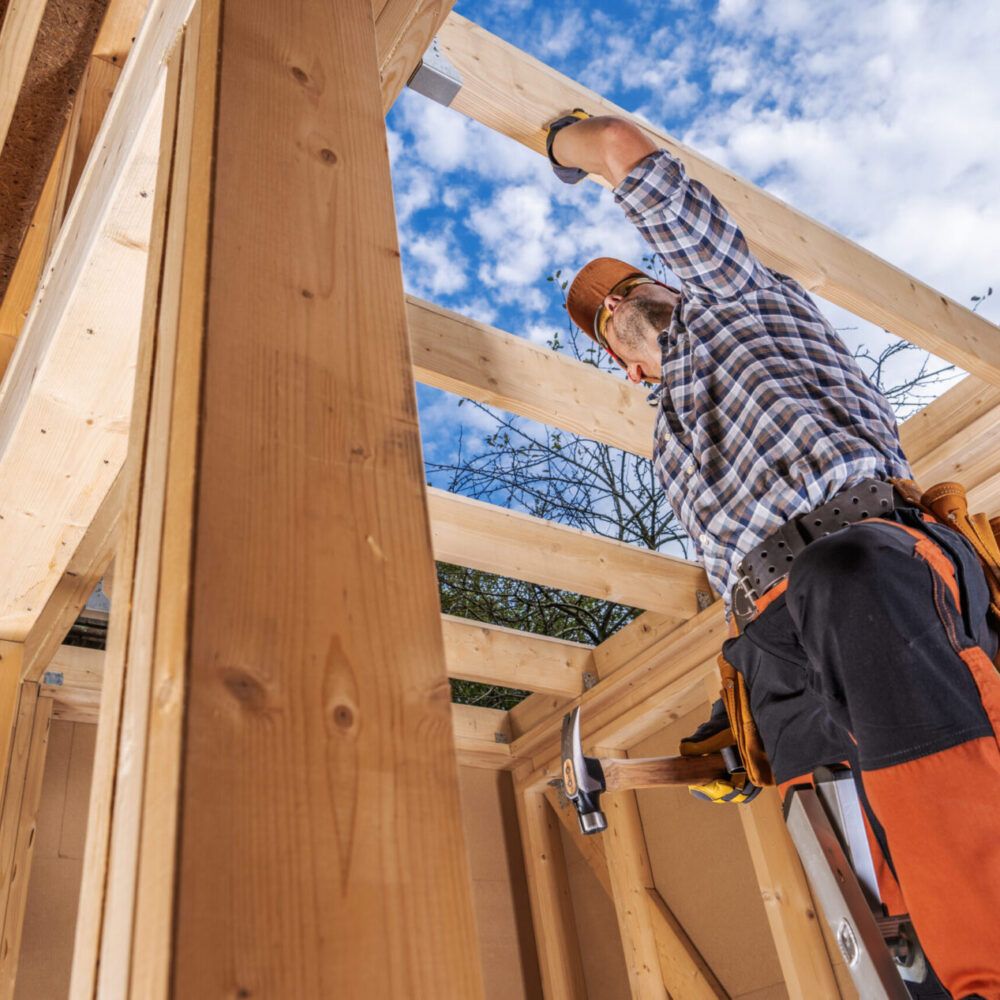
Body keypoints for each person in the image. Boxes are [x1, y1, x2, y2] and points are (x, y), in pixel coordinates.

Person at [546, 111, 1000, 1000]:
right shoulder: (668, 440)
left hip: (865, 559)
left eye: (626, 287)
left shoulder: (738, 301)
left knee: (942, 787)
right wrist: (740, 701)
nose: (615, 306)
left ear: (664, 285)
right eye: (603, 316)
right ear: (625, 370)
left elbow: (616, 147)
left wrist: (563, 142)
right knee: (870, 878)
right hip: (771, 634)